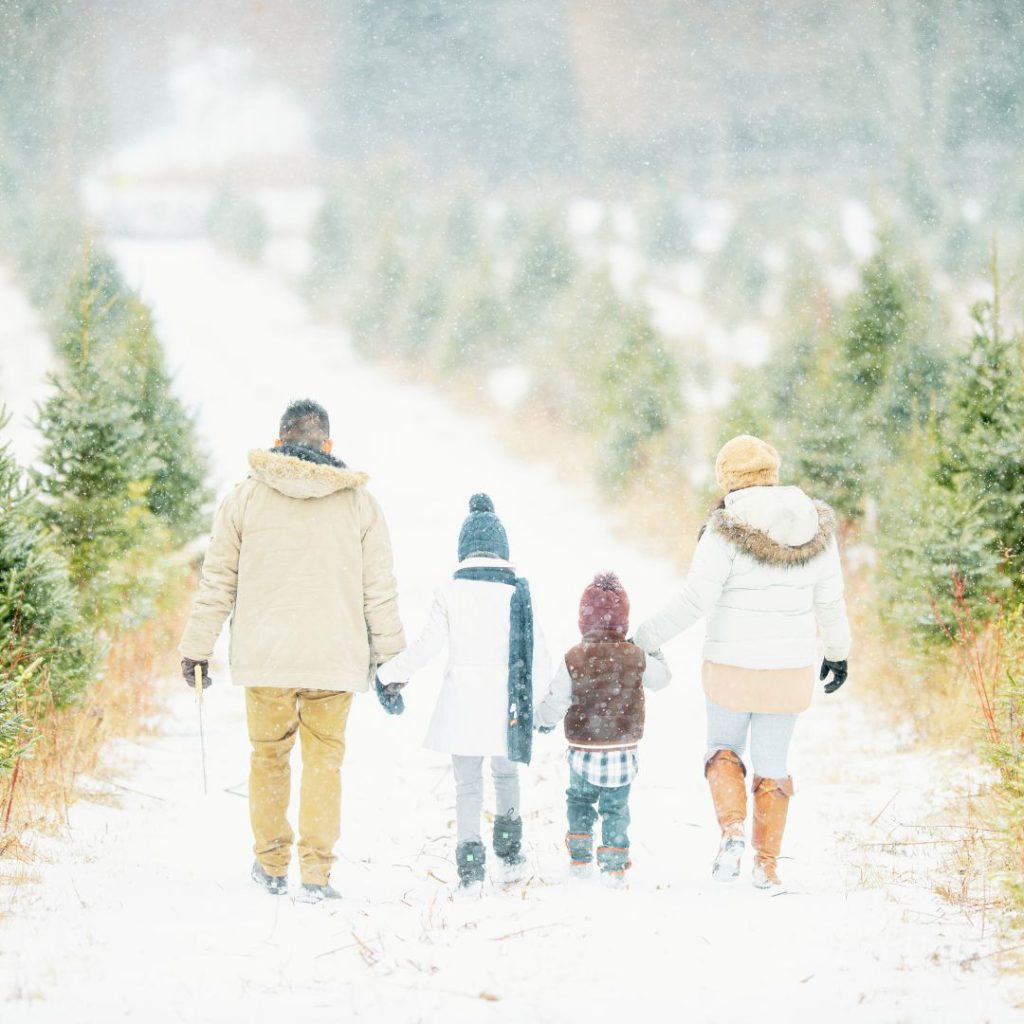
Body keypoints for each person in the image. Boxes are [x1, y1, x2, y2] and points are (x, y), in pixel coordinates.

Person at [178, 399, 404, 902]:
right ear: (328, 446)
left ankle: (272, 865)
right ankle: (318, 875)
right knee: (325, 762)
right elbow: (379, 590)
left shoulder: (245, 499)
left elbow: (217, 581)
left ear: (279, 441)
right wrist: (392, 659)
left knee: (268, 757)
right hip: (334, 659)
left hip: (267, 658)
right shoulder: (359, 504)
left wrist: (196, 649)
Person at [633, 435, 850, 889]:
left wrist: (645, 638)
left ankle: (731, 833)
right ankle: (766, 866)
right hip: (789, 671)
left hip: (730, 665)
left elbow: (694, 601)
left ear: (727, 479)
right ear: (773, 473)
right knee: (774, 765)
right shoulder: (815, 526)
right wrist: (837, 653)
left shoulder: (723, 529)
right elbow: (831, 601)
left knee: (723, 750)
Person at [376, 494, 549, 892]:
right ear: (503, 549)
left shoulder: (450, 591)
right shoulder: (518, 592)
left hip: (463, 706)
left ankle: (470, 867)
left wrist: (390, 674)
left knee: (467, 786)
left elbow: (426, 647)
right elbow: (538, 651)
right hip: (508, 705)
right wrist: (543, 705)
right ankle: (509, 855)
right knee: (507, 775)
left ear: (464, 550)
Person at [534, 573, 670, 889]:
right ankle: (614, 863)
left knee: (579, 799)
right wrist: (653, 649)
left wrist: (542, 721)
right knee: (616, 807)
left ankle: (580, 855)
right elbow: (662, 680)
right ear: (624, 620)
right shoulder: (635, 655)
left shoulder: (575, 656)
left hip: (584, 747)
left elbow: (557, 699)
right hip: (623, 750)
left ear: (583, 619)